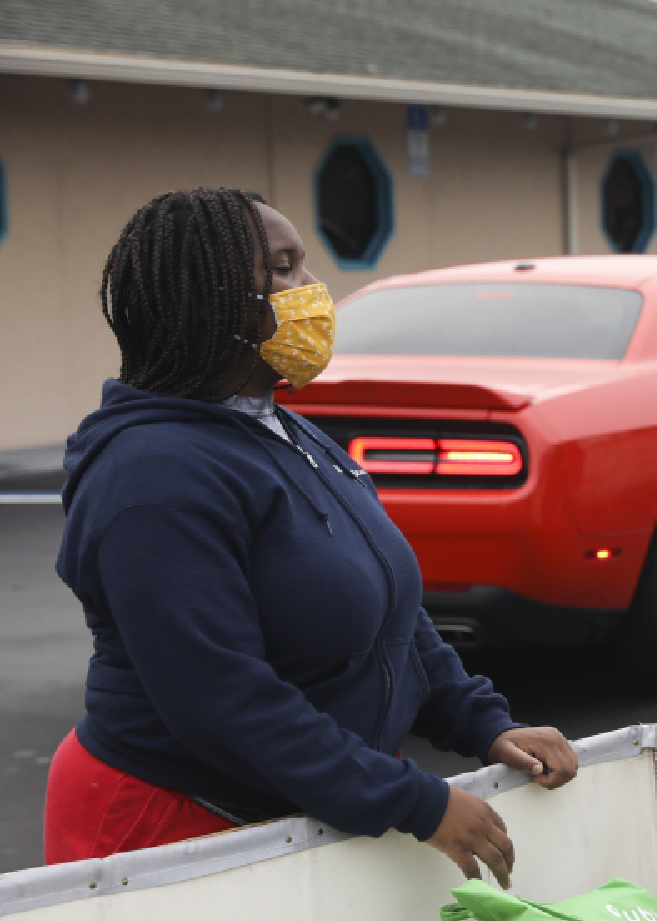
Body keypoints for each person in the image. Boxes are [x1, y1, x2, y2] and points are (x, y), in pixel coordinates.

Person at [47, 188, 576, 880]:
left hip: (300, 802)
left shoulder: (280, 428)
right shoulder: (151, 475)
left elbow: (390, 609)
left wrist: (482, 723)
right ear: (208, 300)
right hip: (173, 822)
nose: (313, 290)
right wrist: (411, 800)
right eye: (284, 267)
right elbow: (222, 700)